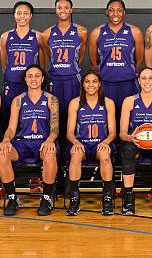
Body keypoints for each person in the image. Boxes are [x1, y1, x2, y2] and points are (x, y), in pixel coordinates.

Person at [0, 65, 59, 216]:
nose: (33, 79)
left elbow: (55, 127)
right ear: (25, 79)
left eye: (37, 76)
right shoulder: (18, 100)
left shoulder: (51, 99)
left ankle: (46, 198)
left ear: (42, 79)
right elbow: (11, 128)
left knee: (50, 153)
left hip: (43, 142)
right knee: (2, 153)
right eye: (30, 76)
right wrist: (5, 140)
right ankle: (12, 198)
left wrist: (50, 140)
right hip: (22, 143)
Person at [119, 67, 152, 215]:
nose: (147, 81)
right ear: (138, 81)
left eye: (150, 78)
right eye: (143, 78)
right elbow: (122, 133)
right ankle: (128, 199)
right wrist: (130, 137)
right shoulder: (129, 101)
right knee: (128, 150)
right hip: (136, 141)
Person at [65, 70, 116, 216]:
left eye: (94, 81)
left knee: (105, 155)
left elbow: (112, 132)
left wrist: (106, 142)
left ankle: (107, 198)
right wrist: (75, 142)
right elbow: (69, 132)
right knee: (75, 154)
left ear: (99, 84)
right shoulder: (75, 103)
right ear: (82, 84)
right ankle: (74, 198)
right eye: (87, 81)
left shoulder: (108, 103)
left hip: (101, 144)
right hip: (82, 144)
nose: (91, 85)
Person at [89, 0, 144, 129]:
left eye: (119, 10)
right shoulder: (97, 32)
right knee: (107, 118)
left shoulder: (134, 32)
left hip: (128, 82)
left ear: (124, 12)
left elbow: (139, 59)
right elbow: (93, 60)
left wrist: (129, 70)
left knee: (129, 117)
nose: (115, 14)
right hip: (106, 82)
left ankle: (127, 146)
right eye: (112, 10)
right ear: (107, 12)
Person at [42, 0, 88, 144]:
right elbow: (48, 55)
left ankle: (71, 150)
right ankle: (56, 150)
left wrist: (70, 67)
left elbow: (80, 56)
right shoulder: (47, 33)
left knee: (74, 114)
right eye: (59, 7)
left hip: (73, 79)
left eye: (66, 7)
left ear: (71, 10)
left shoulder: (81, 32)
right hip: (55, 80)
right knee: (55, 116)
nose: (63, 10)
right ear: (55, 10)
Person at [0, 1, 46, 134]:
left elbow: (42, 65)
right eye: (19, 13)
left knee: (29, 117)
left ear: (31, 16)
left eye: (25, 13)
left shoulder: (38, 36)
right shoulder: (5, 36)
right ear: (14, 15)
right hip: (12, 83)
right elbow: (4, 63)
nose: (22, 16)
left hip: (30, 84)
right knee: (8, 115)